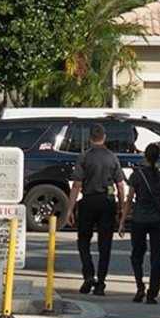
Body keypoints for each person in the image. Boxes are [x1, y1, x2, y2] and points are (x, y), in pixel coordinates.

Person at [65, 123, 126, 295]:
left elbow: (77, 184)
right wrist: (121, 208)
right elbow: (120, 185)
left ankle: (88, 274)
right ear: (104, 137)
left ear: (90, 138)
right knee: (104, 244)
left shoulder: (84, 157)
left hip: (89, 201)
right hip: (107, 203)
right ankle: (101, 282)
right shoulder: (112, 158)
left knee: (83, 240)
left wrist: (70, 208)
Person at [118, 143, 160, 305]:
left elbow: (129, 200)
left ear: (145, 156)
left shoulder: (137, 176)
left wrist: (122, 221)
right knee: (156, 257)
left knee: (137, 254)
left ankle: (140, 286)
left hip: (139, 219)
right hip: (157, 220)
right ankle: (152, 292)